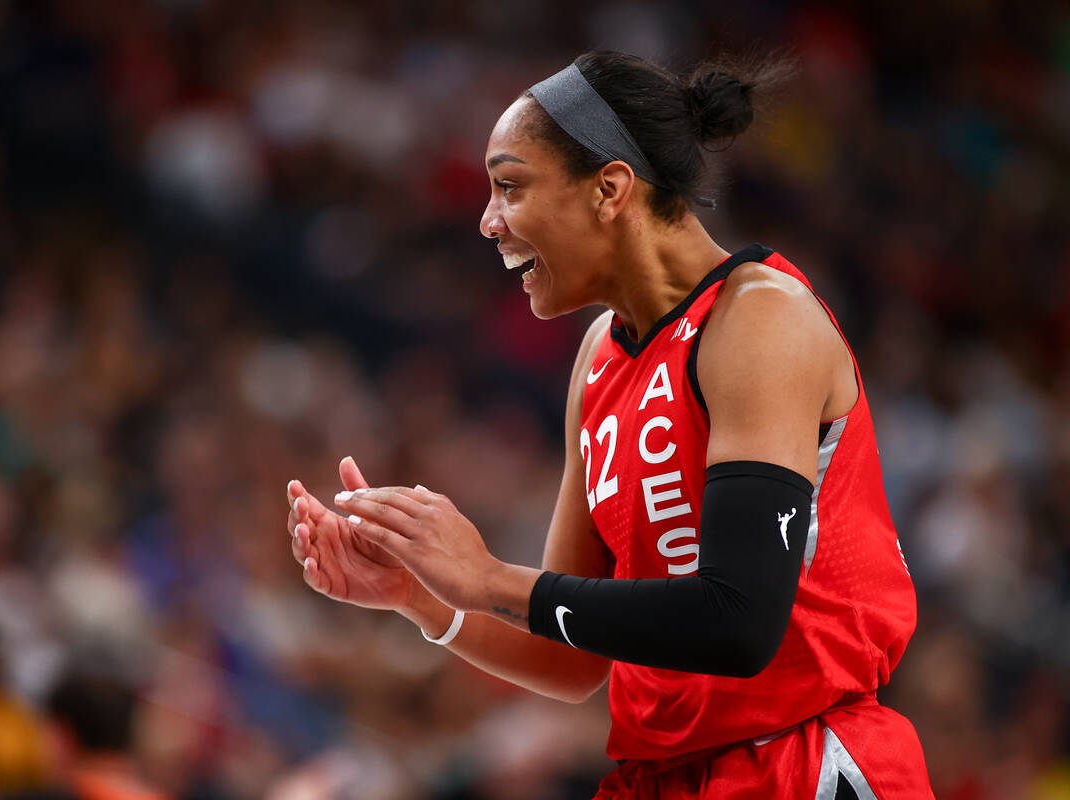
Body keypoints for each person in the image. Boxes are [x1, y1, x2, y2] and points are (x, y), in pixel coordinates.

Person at [286, 50, 933, 799]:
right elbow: (574, 661)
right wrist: (422, 594)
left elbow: (739, 622)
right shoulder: (598, 357)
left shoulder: (760, 319)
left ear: (609, 189)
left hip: (798, 764)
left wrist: (489, 578)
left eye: (510, 186)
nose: (488, 220)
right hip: (659, 778)